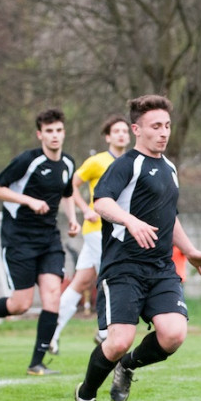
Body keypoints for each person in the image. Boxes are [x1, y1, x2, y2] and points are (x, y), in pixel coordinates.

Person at [73, 94, 201, 401]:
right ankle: (86, 397)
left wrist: (190, 250)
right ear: (137, 129)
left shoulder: (170, 168)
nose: (163, 132)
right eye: (155, 126)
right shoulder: (126, 164)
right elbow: (101, 203)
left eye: (167, 125)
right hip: (123, 267)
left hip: (161, 268)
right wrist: (129, 220)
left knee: (174, 335)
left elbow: (170, 217)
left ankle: (129, 366)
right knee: (118, 340)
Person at [0, 108, 80, 376]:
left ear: (64, 132)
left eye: (59, 130)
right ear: (40, 134)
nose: (54, 136)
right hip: (19, 239)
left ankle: (36, 363)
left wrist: (72, 219)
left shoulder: (68, 163)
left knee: (52, 296)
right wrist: (28, 200)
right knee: (20, 304)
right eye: (49, 131)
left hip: (49, 239)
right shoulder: (28, 160)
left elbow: (68, 193)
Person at [49, 115, 131, 355]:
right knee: (112, 276)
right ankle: (105, 332)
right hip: (98, 231)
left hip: (120, 229)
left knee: (81, 282)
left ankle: (50, 336)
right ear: (108, 136)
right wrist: (85, 209)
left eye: (125, 131)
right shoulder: (97, 161)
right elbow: (70, 185)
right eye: (116, 131)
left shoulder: (131, 160)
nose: (121, 135)